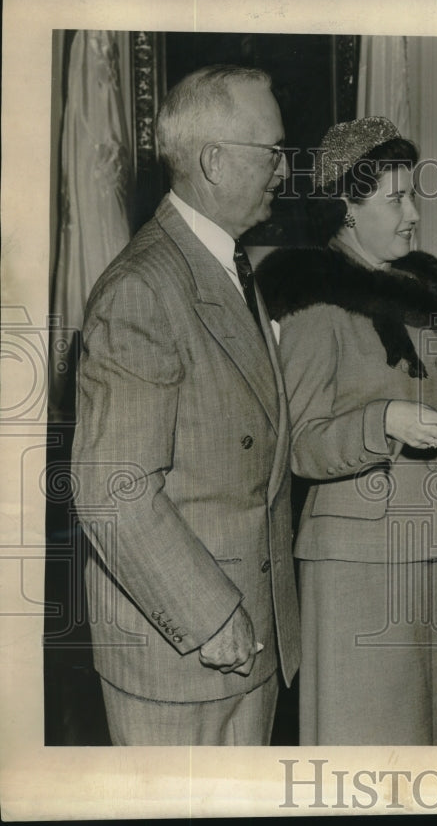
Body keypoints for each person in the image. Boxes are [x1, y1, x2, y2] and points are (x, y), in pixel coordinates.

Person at [71, 65, 300, 745]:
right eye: (273, 152)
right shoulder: (143, 288)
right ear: (212, 161)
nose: (285, 170)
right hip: (183, 657)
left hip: (245, 646)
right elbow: (113, 491)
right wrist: (209, 615)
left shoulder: (224, 264)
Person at [256, 117, 437, 745]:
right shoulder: (314, 301)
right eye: (395, 199)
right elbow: (296, 444)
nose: (413, 214)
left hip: (429, 549)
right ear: (348, 211)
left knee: (434, 747)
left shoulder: (419, 295)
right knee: (369, 750)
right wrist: (382, 421)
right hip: (354, 564)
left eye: (414, 196)